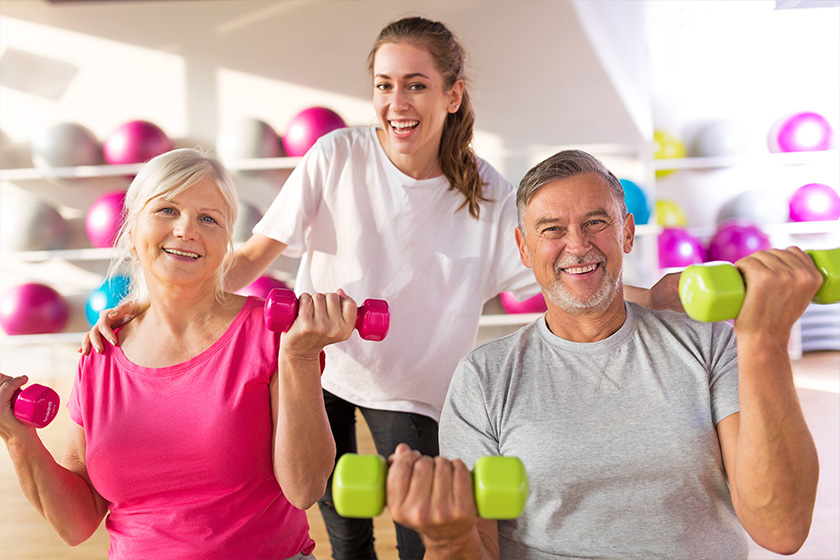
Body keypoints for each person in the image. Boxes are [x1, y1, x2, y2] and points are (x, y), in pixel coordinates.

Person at [81, 18, 681, 560]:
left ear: (452, 94)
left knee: (426, 534)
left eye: (416, 84)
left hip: (417, 392)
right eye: (384, 84)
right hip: (325, 370)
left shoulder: (493, 197)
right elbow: (250, 257)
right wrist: (148, 306)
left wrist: (653, 297)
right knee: (345, 533)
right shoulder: (336, 155)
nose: (397, 102)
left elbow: (562, 277)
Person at [384, 150, 821, 559]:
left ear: (627, 232)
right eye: (551, 228)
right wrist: (448, 538)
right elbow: (477, 546)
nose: (577, 245)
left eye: (596, 222)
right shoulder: (484, 377)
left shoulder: (708, 345)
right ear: (523, 248)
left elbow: (781, 529)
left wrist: (764, 342)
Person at [1, 148, 358, 559]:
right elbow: (76, 523)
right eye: (168, 210)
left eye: (209, 218)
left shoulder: (273, 336)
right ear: (132, 231)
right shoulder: (99, 355)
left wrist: (298, 358)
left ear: (227, 244)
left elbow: (304, 488)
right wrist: (17, 436)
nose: (187, 229)